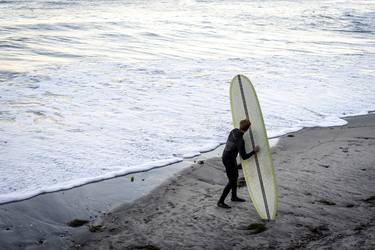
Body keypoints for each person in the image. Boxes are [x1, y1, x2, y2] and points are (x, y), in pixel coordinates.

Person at [218, 119, 260, 209]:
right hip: (228, 160)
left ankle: (234, 196)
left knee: (235, 177)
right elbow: (244, 156)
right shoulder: (240, 141)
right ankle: (220, 201)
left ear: (240, 125)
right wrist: (254, 151)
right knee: (232, 181)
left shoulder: (233, 131)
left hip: (227, 156)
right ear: (248, 129)